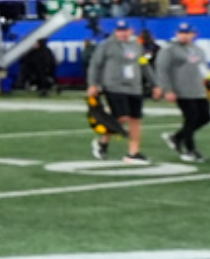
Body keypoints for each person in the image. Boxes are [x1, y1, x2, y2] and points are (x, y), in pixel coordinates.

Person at [87, 20, 150, 163]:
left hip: (134, 86)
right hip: (114, 85)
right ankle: (102, 141)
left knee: (135, 119)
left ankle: (133, 152)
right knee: (121, 117)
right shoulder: (107, 45)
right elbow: (95, 65)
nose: (122, 33)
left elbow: (143, 64)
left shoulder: (136, 45)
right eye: (120, 30)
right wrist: (93, 84)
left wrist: (154, 82)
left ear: (131, 31)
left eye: (125, 30)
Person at [152, 22, 207, 163]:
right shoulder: (169, 50)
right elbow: (162, 70)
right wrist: (167, 89)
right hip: (181, 90)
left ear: (194, 34)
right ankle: (190, 150)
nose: (184, 36)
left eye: (187, 33)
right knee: (191, 118)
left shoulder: (198, 49)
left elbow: (201, 69)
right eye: (181, 33)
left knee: (205, 116)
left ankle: (177, 137)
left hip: (197, 90)